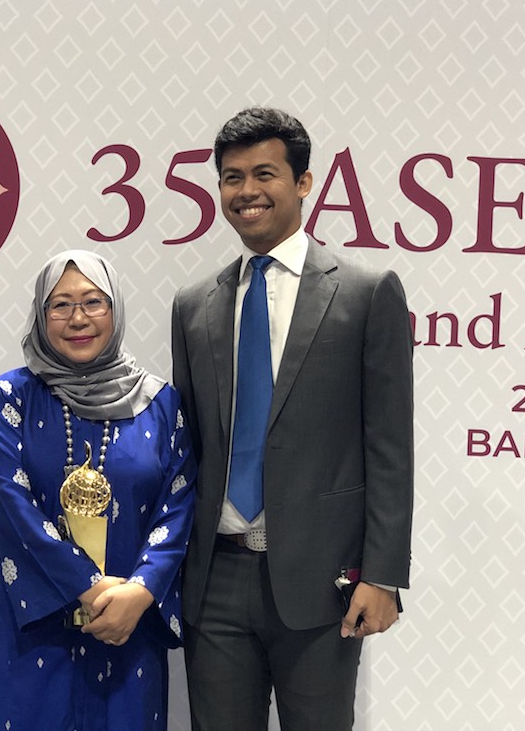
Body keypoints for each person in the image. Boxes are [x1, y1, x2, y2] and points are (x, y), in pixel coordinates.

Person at [171, 107, 414, 730]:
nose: (246, 191)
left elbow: (389, 447)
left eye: (264, 173)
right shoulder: (194, 305)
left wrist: (382, 577)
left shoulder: (365, 292)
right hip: (215, 582)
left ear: (304, 183)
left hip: (322, 584)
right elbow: (190, 447)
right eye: (231, 177)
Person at [0, 250, 196, 731]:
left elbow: (178, 505)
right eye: (60, 305)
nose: (78, 319)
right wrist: (86, 586)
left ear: (115, 310)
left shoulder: (160, 403)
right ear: (40, 315)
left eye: (93, 302)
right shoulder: (13, 397)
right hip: (32, 623)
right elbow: (10, 503)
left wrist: (141, 591)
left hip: (126, 624)